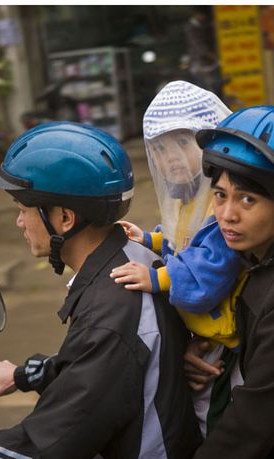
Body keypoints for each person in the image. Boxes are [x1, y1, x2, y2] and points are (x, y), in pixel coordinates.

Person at [0, 122, 202, 459]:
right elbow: (97, 369)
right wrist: (22, 375)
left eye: (22, 209)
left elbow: (41, 454)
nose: (17, 222)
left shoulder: (110, 312)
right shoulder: (132, 256)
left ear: (64, 218)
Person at [172, 105, 274, 459]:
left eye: (247, 201)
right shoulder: (248, 257)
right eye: (221, 196)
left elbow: (253, 419)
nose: (226, 215)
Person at [111, 80, 244, 351]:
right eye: (159, 149)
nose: (171, 157)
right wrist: (152, 239)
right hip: (200, 333)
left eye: (183, 142)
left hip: (224, 341)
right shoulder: (190, 196)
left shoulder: (221, 206)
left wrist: (155, 278)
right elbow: (186, 238)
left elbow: (209, 268)